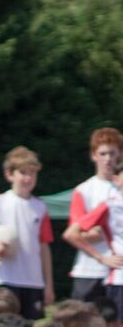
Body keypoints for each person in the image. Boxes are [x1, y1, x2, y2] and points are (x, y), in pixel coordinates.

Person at [0, 147, 53, 321]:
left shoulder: (40, 207)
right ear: (10, 175)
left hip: (33, 281)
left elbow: (44, 247)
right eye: (23, 173)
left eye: (32, 173)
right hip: (6, 280)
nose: (28, 178)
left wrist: (48, 286)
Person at [64, 127, 123, 309]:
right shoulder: (84, 190)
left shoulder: (120, 188)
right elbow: (75, 233)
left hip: (117, 273)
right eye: (102, 153)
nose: (107, 159)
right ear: (93, 156)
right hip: (90, 270)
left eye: (112, 153)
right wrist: (100, 256)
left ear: (119, 155)